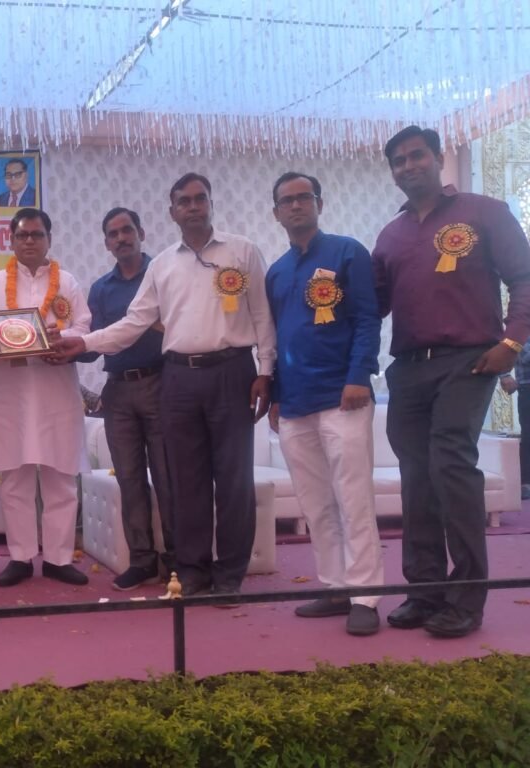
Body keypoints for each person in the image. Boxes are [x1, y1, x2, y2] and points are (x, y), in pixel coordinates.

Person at [49, 173, 275, 597]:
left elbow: (263, 314)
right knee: (185, 480)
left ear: (210, 203)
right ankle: (192, 571)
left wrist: (266, 371)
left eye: (199, 199)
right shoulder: (163, 265)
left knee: (233, 478)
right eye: (183, 201)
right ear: (172, 211)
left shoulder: (242, 250)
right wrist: (84, 342)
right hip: (179, 378)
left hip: (233, 373)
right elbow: (134, 323)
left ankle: (230, 574)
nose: (193, 207)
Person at [372, 126, 530, 638]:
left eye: (417, 155)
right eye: (398, 161)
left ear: (439, 158)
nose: (408, 166)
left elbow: (524, 278)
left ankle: (466, 600)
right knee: (416, 477)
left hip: (468, 360)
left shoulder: (485, 212)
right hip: (408, 368)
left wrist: (512, 342)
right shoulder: (390, 235)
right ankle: (425, 592)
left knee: (450, 465)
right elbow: (372, 306)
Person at [265, 172, 384, 636]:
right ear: (276, 212)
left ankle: (365, 596)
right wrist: (276, 396)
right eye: (287, 201)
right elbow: (277, 339)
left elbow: (367, 318)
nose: (296, 205)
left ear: (319, 203)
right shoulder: (276, 272)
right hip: (295, 405)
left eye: (304, 197)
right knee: (316, 504)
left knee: (354, 500)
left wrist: (358, 376)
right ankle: (335, 587)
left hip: (343, 398)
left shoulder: (347, 252)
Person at [0, 207, 91, 587]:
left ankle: (59, 559)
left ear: (49, 239)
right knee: (15, 477)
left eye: (36, 234)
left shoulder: (67, 281)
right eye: (22, 235)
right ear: (11, 241)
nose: (29, 241)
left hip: (56, 388)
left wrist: (61, 336)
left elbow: (83, 325)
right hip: (9, 390)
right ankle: (20, 557)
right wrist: (2, 338)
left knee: (61, 475)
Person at [83, 207, 174, 591]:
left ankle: (176, 560)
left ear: (141, 232)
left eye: (126, 230)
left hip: (161, 385)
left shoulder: (164, 274)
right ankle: (142, 561)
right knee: (130, 479)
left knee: (169, 478)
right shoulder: (101, 289)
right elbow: (92, 346)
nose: (121, 238)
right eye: (113, 233)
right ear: (106, 243)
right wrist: (54, 343)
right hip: (117, 392)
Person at [499, 346, 530, 500]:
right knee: (528, 436)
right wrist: (504, 375)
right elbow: (525, 357)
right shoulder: (522, 333)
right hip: (527, 387)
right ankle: (526, 483)